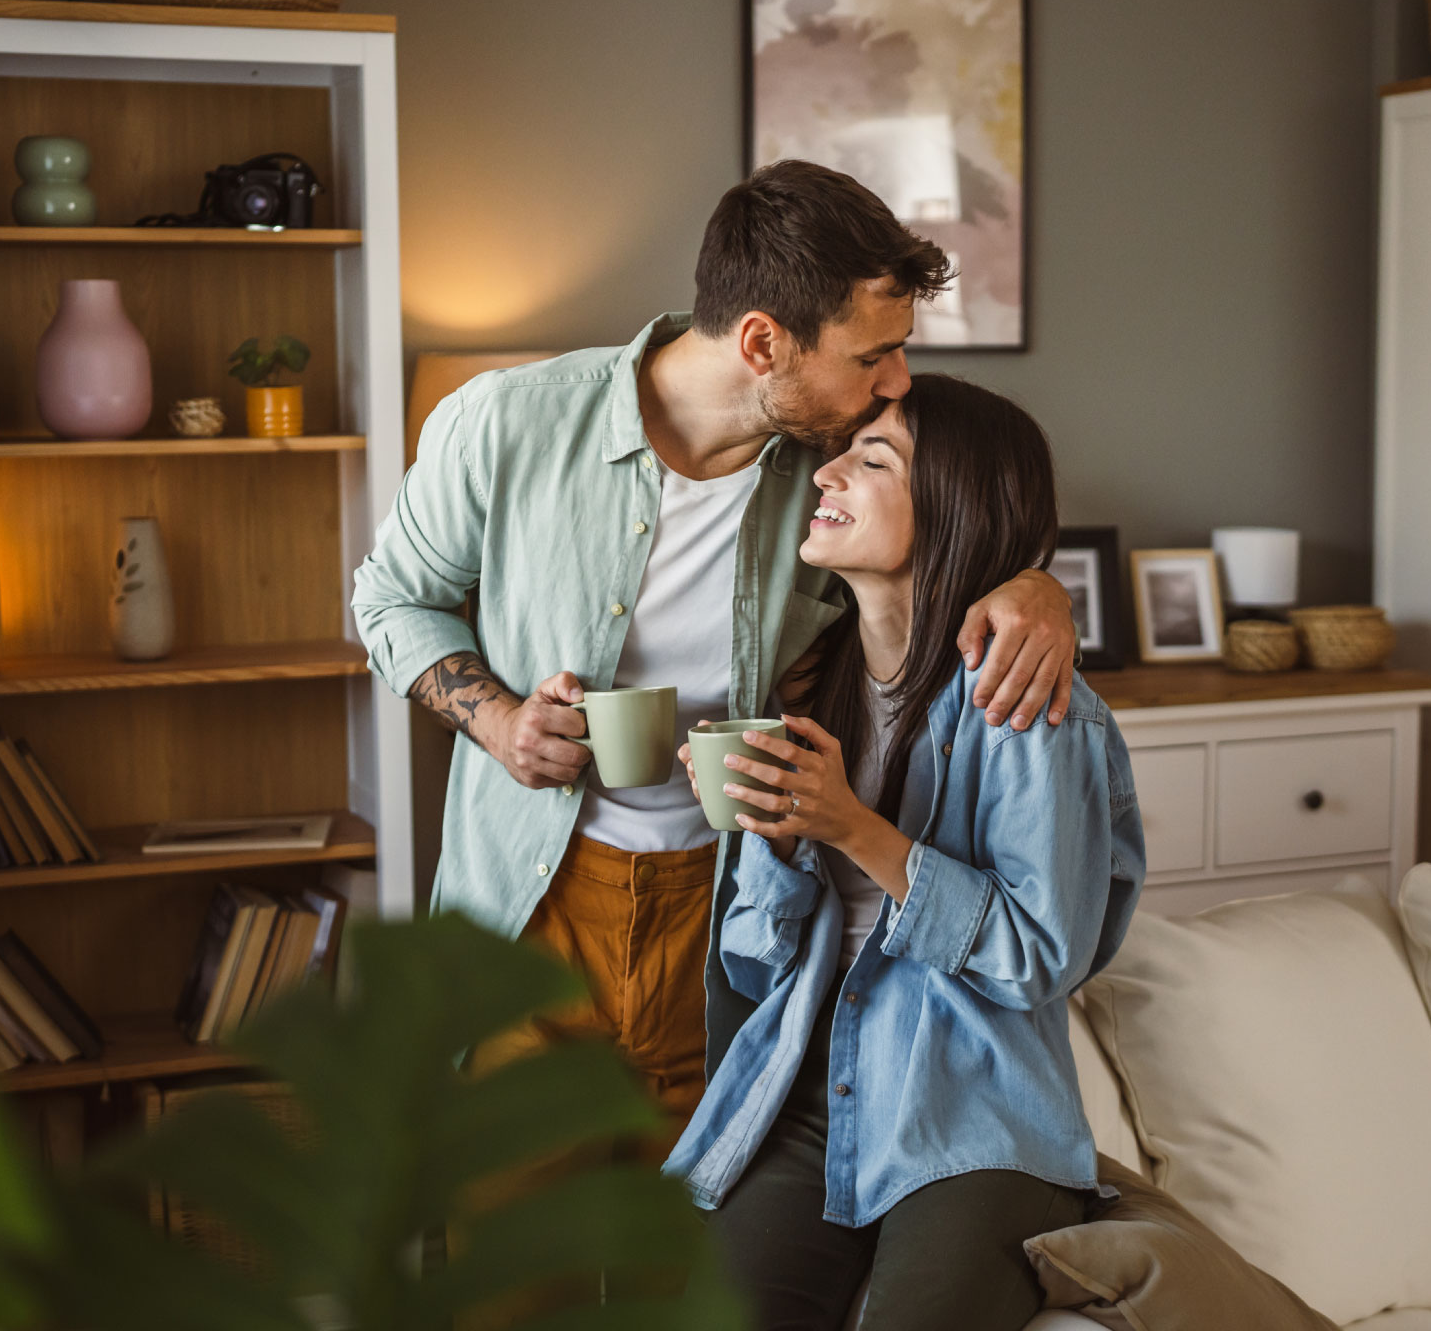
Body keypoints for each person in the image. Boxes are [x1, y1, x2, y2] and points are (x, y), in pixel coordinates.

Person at [348, 161, 1080, 1128]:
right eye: (873, 356)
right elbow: (391, 600)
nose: (895, 381)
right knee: (514, 1260)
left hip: (735, 911)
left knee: (696, 1259)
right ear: (763, 341)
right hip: (529, 903)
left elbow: (955, 517)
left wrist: (1035, 583)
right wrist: (497, 721)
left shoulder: (831, 471)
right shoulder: (505, 423)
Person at [667, 375, 1146, 1331]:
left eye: (872, 458)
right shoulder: (814, 687)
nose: (827, 472)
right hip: (809, 1097)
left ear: (956, 508)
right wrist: (770, 838)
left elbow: (1041, 958)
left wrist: (855, 831)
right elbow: (760, 962)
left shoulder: (1028, 709)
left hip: (977, 1122)